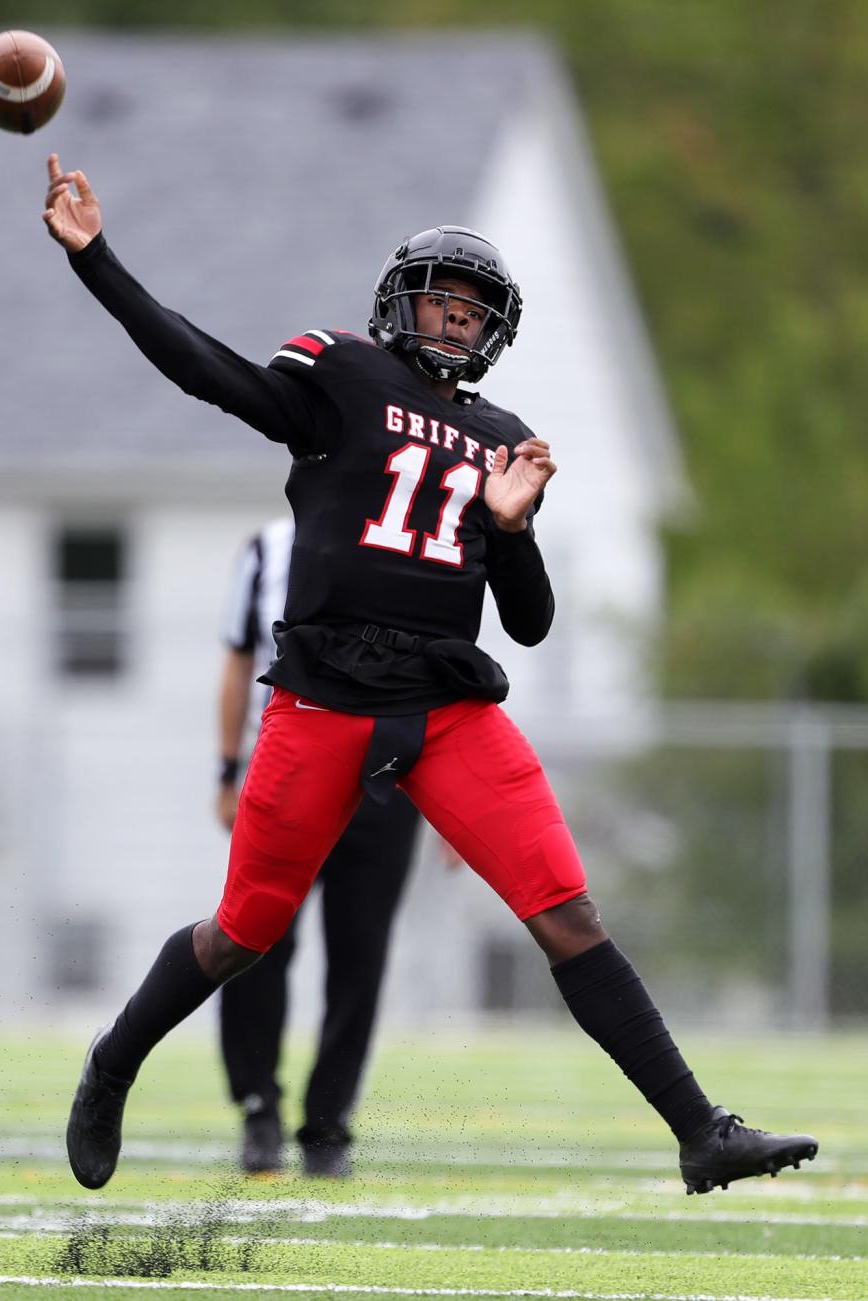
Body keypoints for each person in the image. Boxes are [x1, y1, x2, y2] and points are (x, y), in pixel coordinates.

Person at [43, 153, 817, 1197]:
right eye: (441, 304)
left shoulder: (501, 440)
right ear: (399, 303)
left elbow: (532, 622)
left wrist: (513, 526)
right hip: (324, 695)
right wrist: (98, 260)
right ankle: (113, 1062)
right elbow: (205, 368)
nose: (453, 324)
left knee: (567, 913)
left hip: (446, 708)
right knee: (241, 934)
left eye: (472, 313)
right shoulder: (342, 372)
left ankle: (700, 1130)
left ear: (495, 332)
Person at [216, 515, 420, 1177]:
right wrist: (226, 767)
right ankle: (258, 1106)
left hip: (385, 779)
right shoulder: (268, 548)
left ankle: (328, 1124)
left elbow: (444, 672)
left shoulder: (413, 533)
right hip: (290, 773)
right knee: (254, 940)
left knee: (360, 955)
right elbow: (238, 657)